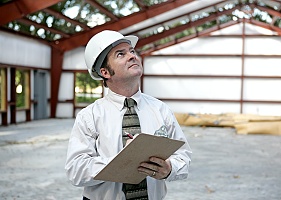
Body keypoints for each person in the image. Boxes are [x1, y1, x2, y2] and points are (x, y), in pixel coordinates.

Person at [65, 30, 192, 200]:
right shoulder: (89, 117)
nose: (132, 56)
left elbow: (183, 157)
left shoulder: (161, 110)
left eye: (132, 51)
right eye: (120, 54)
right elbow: (76, 171)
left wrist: (169, 169)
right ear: (105, 72)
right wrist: (122, 161)